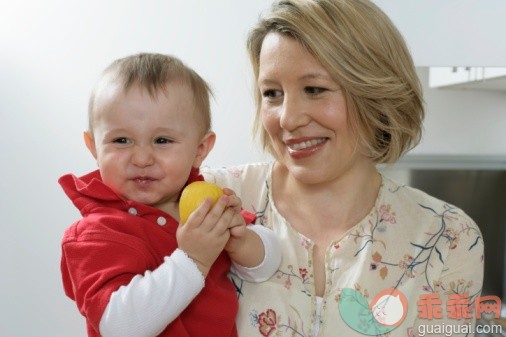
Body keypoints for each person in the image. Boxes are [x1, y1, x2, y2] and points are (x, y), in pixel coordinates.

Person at [202, 0, 484, 336]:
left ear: (373, 92)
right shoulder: (212, 200)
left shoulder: (449, 238)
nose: (288, 119)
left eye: (315, 89)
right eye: (272, 93)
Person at [59, 53, 281, 337]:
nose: (141, 158)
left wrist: (241, 240)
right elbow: (119, 327)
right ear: (93, 147)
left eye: (162, 140)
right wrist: (194, 259)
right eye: (121, 140)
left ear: (200, 149)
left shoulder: (202, 204)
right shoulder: (94, 234)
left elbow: (266, 266)